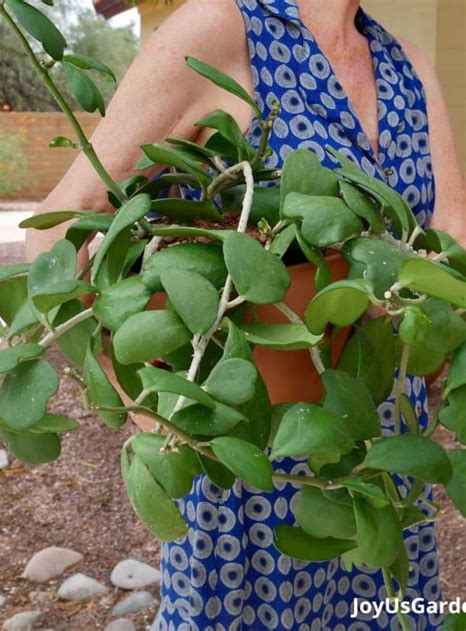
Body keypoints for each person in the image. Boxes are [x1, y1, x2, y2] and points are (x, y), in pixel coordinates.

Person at [26, 1, 465, 629]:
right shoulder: (220, 29)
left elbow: (451, 232)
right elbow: (63, 225)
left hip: (383, 455)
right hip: (246, 454)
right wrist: (140, 409)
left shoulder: (408, 66)